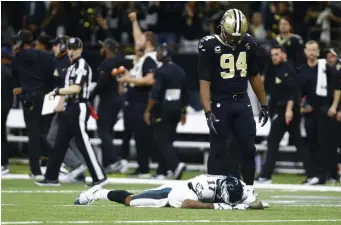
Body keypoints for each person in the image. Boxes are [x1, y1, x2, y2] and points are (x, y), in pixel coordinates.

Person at [198, 9, 269, 187]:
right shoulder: (208, 45)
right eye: (232, 34)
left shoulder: (248, 43)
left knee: (248, 148)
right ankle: (213, 190)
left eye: (239, 35)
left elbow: (254, 75)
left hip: (242, 102)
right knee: (218, 150)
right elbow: (204, 82)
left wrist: (264, 104)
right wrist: (208, 111)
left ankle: (249, 189)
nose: (235, 39)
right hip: (221, 103)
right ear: (222, 27)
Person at [35, 37, 107, 187]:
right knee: (59, 143)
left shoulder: (81, 65)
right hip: (70, 106)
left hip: (79, 106)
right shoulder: (72, 67)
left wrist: (57, 91)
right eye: (70, 48)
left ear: (80, 49)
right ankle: (51, 177)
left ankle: (99, 177)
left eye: (75, 48)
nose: (72, 51)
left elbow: (76, 88)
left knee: (83, 143)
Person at [255, 45, 312, 183]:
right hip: (285, 112)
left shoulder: (286, 69)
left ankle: (265, 175)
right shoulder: (278, 69)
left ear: (284, 55)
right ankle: (312, 174)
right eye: (272, 54)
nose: (274, 57)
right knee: (298, 143)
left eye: (277, 54)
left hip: (285, 112)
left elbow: (293, 91)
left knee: (273, 142)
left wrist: (288, 110)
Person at [74, 174, 268, 210]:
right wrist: (218, 206)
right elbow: (187, 204)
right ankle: (98, 192)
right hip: (174, 194)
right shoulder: (205, 185)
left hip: (182, 195)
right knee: (131, 201)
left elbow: (257, 203)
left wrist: (245, 206)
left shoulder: (240, 187)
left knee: (133, 199)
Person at [117, 12, 159, 178]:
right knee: (139, 136)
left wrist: (129, 79)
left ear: (147, 42)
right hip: (137, 102)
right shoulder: (146, 57)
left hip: (143, 101)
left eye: (141, 39)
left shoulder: (149, 58)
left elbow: (150, 80)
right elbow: (138, 37)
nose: (137, 41)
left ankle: (145, 169)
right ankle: (143, 167)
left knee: (143, 137)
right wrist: (134, 21)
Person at [11, 30, 54, 178]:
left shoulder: (18, 57)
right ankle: (58, 160)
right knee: (44, 132)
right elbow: (50, 74)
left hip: (29, 98)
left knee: (34, 135)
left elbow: (15, 75)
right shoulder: (46, 56)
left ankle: (36, 170)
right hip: (45, 97)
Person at [143, 43, 188, 180]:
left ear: (163, 54)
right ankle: (162, 171)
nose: (157, 54)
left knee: (161, 139)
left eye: (158, 51)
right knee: (168, 140)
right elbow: (186, 94)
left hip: (163, 110)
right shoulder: (180, 70)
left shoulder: (161, 71)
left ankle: (175, 165)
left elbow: (155, 95)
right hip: (177, 109)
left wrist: (147, 111)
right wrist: (184, 112)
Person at [46, 35, 87, 183]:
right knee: (71, 140)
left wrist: (60, 102)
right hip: (65, 104)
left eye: (56, 45)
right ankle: (79, 171)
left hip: (67, 105)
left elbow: (68, 86)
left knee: (53, 138)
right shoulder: (58, 61)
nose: (53, 48)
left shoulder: (68, 63)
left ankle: (76, 166)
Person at [299, 43, 341, 185]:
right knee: (311, 143)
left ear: (318, 52)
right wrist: (302, 106)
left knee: (324, 144)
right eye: (309, 49)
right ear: (305, 52)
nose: (311, 52)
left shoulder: (326, 68)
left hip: (323, 110)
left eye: (314, 50)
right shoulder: (301, 70)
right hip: (308, 112)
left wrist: (335, 106)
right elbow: (298, 93)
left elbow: (337, 88)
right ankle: (314, 174)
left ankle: (324, 174)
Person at [89, 38, 128, 174]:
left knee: (103, 131)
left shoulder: (106, 63)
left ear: (106, 48)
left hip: (107, 101)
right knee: (108, 131)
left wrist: (90, 98)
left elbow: (101, 84)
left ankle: (115, 160)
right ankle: (108, 163)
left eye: (102, 47)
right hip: (118, 99)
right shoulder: (119, 62)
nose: (101, 50)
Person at [1, 45, 13, 175]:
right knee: (2, 136)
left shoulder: (3, 71)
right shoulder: (9, 71)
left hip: (2, 107)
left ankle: (3, 164)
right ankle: (3, 163)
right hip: (5, 107)